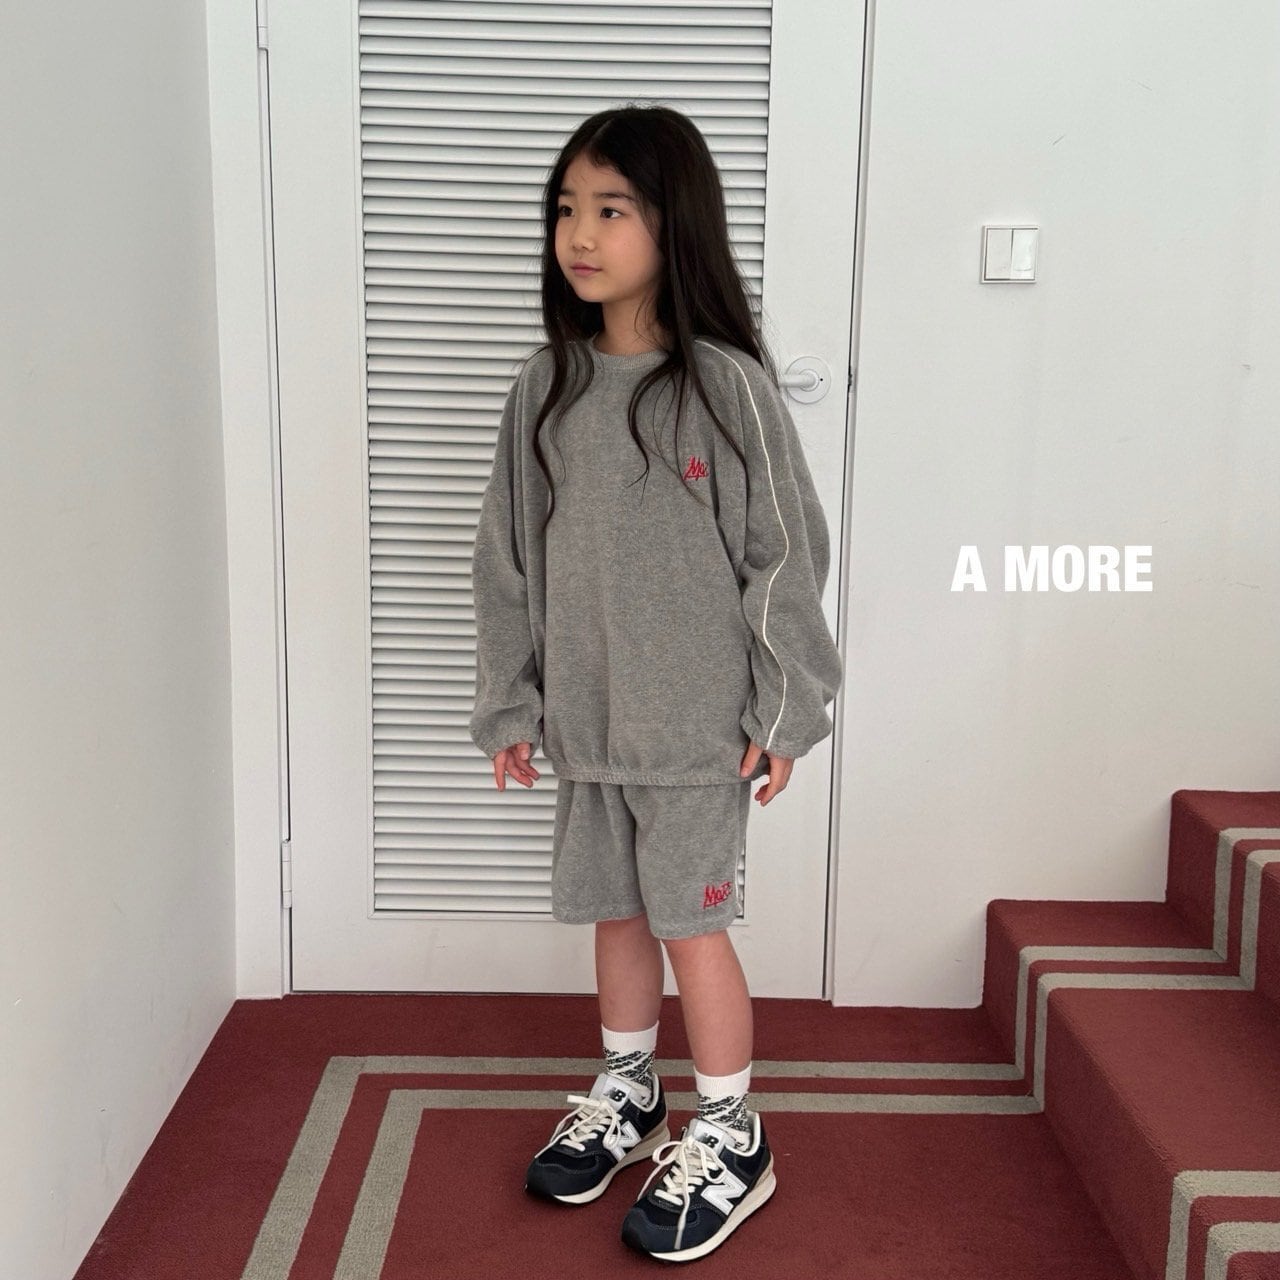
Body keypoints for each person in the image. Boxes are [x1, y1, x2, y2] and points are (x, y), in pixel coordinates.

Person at [468, 103, 843, 1264]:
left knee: (693, 928)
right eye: (565, 209)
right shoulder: (544, 385)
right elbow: (505, 559)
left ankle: (730, 1129)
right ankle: (629, 1088)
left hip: (693, 734)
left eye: (610, 209)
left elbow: (783, 552)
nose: (579, 234)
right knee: (616, 913)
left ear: (671, 222)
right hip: (588, 726)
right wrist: (511, 702)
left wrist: (785, 707)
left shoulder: (723, 386)